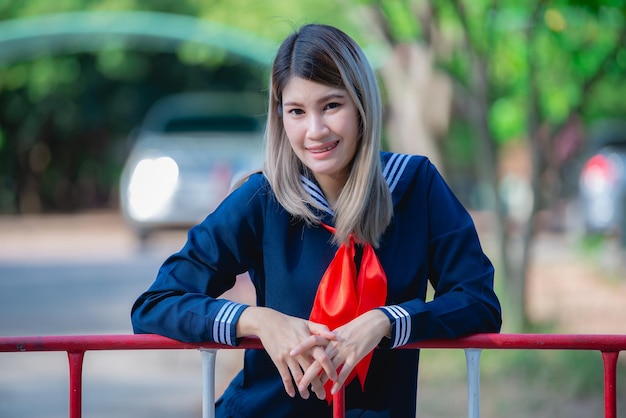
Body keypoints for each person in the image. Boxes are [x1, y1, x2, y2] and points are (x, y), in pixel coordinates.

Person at [131, 23, 502, 418]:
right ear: (281, 117)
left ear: (362, 105)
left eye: (331, 106)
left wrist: (388, 320)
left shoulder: (415, 188)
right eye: (296, 111)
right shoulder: (263, 198)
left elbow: (478, 302)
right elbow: (155, 304)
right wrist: (257, 320)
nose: (315, 130)